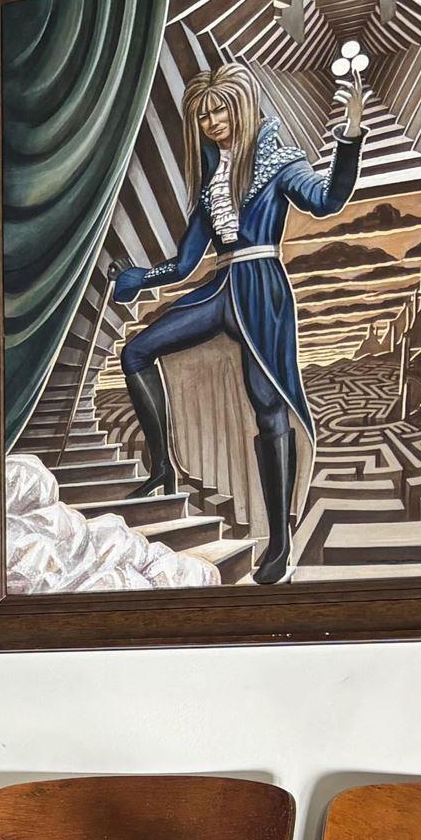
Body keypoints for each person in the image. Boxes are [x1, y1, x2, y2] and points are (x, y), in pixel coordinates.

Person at [108, 60, 363, 585]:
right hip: (218, 289)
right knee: (136, 352)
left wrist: (352, 132)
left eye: (220, 109)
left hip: (262, 290)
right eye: (203, 115)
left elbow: (328, 200)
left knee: (269, 410)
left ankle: (281, 542)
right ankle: (162, 468)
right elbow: (184, 263)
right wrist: (141, 277)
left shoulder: (276, 160)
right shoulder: (209, 178)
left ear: (242, 106)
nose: (213, 122)